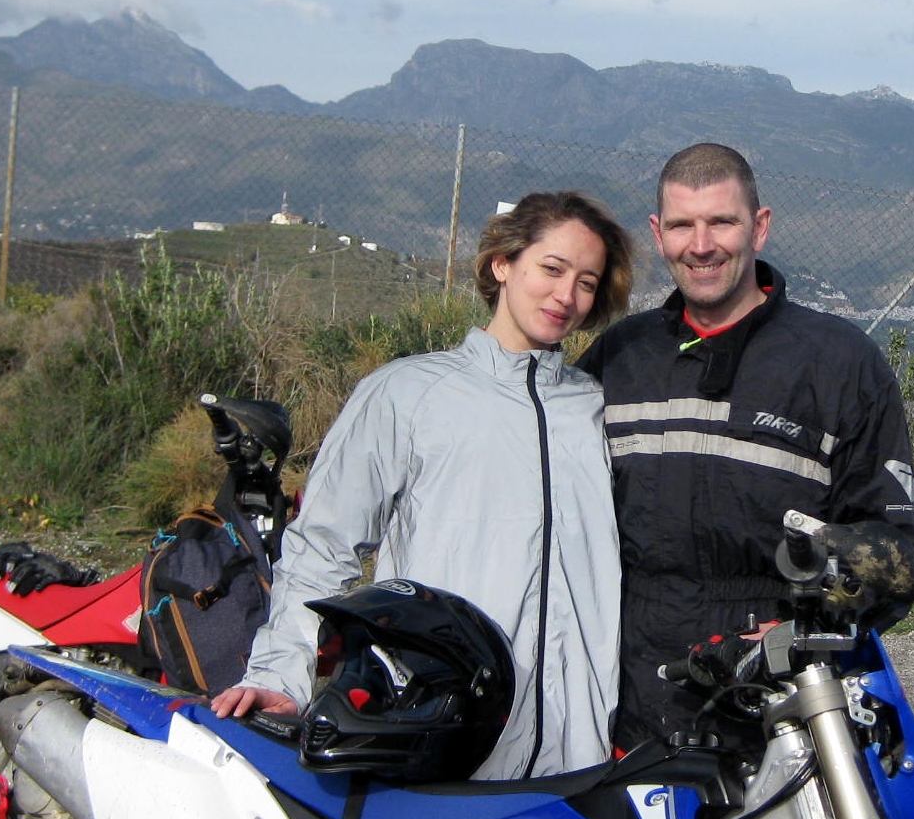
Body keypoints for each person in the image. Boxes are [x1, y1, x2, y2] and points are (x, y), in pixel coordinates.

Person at [578, 142, 914, 819]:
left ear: (758, 227)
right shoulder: (615, 362)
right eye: (682, 226)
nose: (703, 245)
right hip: (628, 713)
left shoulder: (836, 363)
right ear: (657, 236)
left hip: (774, 720)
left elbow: (898, 544)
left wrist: (824, 584)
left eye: (721, 222)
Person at [211, 191, 633, 781]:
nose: (567, 295)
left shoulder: (597, 409)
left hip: (575, 755)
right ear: (503, 263)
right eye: (552, 268)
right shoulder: (406, 393)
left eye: (586, 282)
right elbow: (323, 546)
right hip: (442, 737)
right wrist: (280, 676)